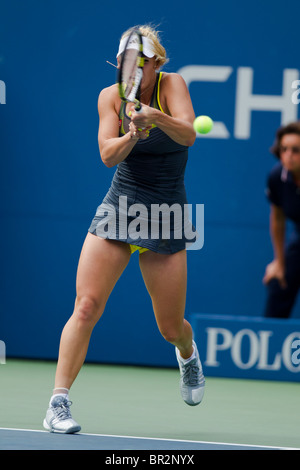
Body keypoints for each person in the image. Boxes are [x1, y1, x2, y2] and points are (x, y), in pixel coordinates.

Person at [43, 25, 205, 434]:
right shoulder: (109, 97)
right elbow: (106, 155)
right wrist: (132, 132)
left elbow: (188, 134)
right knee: (86, 306)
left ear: (156, 63)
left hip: (167, 210)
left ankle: (187, 354)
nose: (130, 70)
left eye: (140, 63)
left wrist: (156, 117)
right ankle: (58, 402)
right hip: (121, 205)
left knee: (171, 328)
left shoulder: (174, 85)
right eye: (124, 63)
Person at [263, 121, 300, 319]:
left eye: (296, 150)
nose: (288, 155)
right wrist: (279, 261)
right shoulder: (277, 177)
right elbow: (277, 218)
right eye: (284, 149)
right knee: (279, 280)